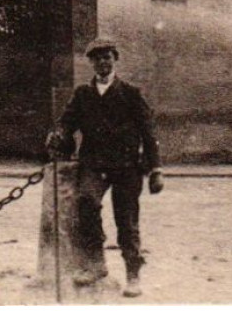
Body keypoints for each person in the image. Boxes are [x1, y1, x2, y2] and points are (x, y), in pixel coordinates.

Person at [46, 38, 163, 297]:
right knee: (86, 202)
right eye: (97, 58)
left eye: (107, 57)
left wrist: (156, 169)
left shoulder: (131, 93)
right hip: (94, 163)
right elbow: (67, 122)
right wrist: (58, 134)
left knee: (127, 220)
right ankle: (95, 264)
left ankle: (133, 274)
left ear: (115, 59)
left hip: (126, 167)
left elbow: (148, 132)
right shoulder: (83, 94)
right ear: (91, 62)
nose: (103, 62)